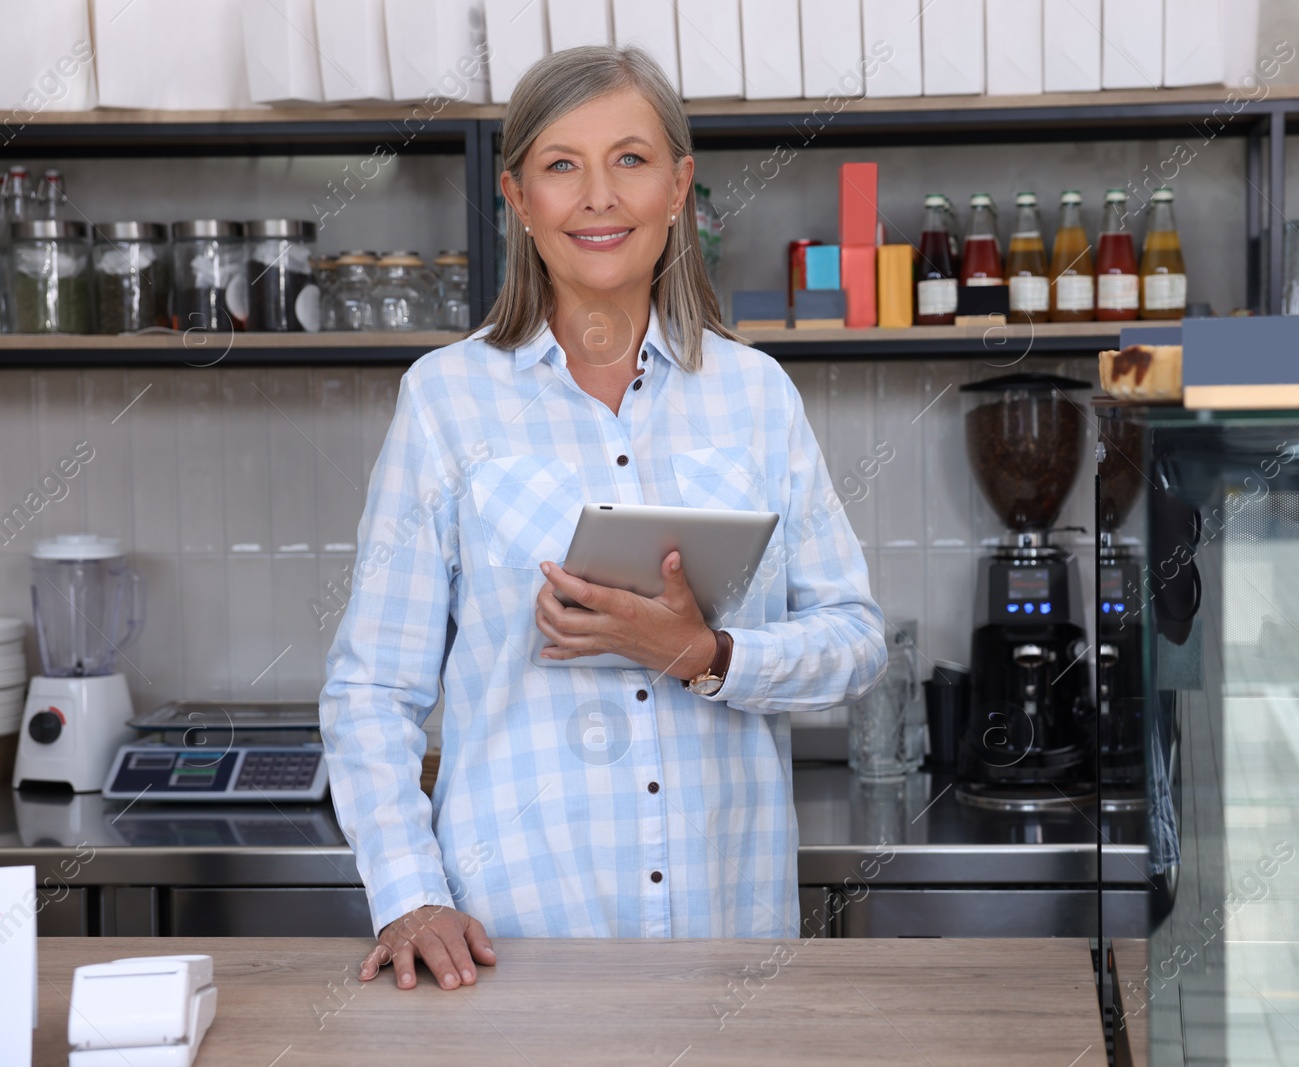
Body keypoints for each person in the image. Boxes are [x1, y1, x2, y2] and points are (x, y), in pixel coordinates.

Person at [318, 45, 887, 992]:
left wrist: (705, 656)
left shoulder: (756, 397)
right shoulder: (445, 402)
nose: (597, 197)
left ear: (679, 188)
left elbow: (855, 641)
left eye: (630, 159)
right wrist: (411, 893)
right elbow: (372, 689)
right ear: (518, 197)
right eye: (560, 165)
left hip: (729, 942)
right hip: (516, 951)